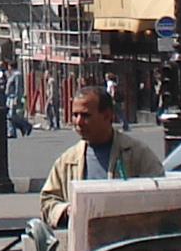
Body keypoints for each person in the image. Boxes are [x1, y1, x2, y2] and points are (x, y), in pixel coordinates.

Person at [39, 87, 165, 226]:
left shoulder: (137, 154)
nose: (78, 122)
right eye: (75, 115)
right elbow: (48, 201)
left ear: (107, 116)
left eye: (86, 116)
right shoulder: (67, 160)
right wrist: (67, 211)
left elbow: (159, 198)